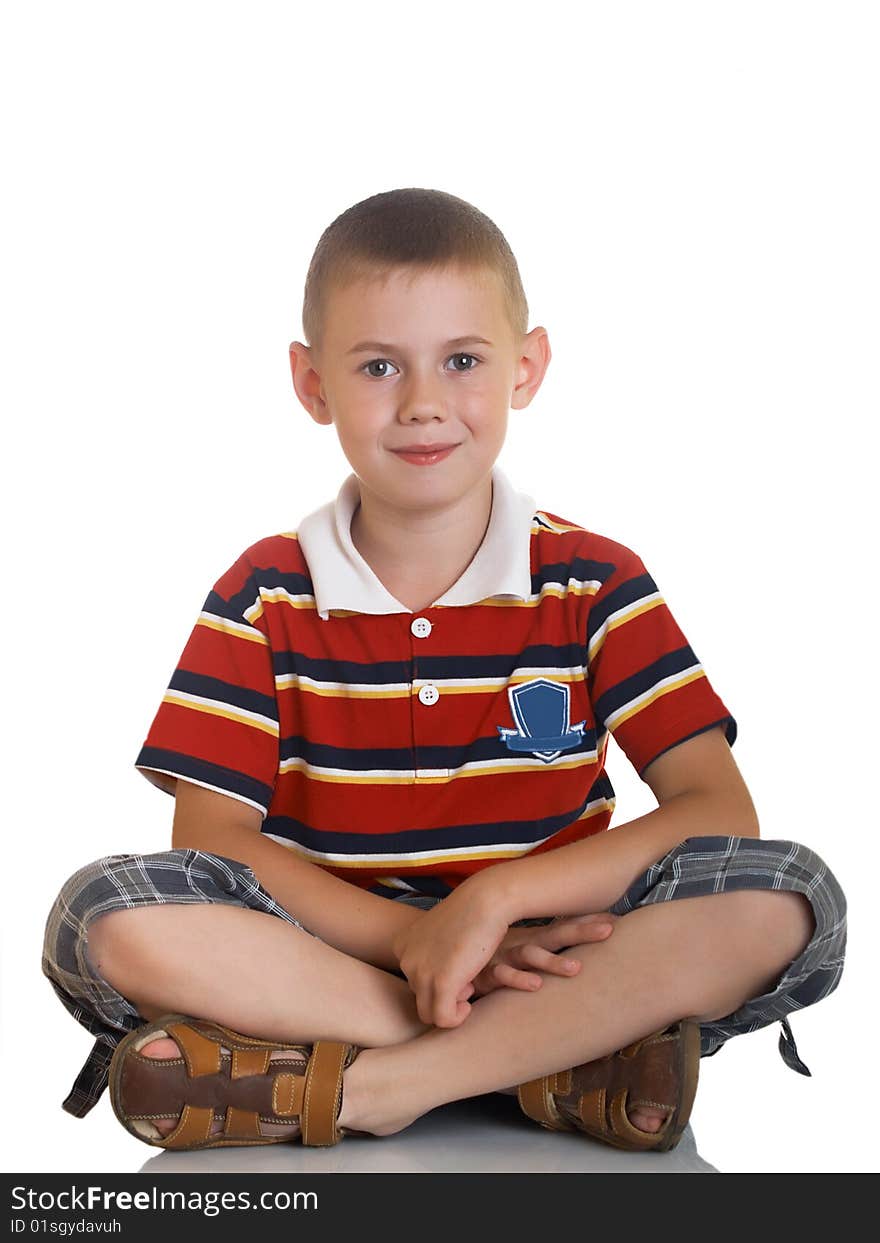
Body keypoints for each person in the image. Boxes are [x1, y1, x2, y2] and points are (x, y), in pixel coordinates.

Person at [43, 187, 846, 1154]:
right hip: (333, 955)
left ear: (526, 366)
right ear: (312, 384)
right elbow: (217, 841)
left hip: (558, 948)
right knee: (105, 913)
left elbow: (717, 807)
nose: (423, 401)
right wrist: (410, 941)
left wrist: (493, 902)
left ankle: (374, 1083)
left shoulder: (595, 580)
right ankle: (552, 1062)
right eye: (379, 365)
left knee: (790, 893)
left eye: (461, 360)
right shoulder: (263, 594)